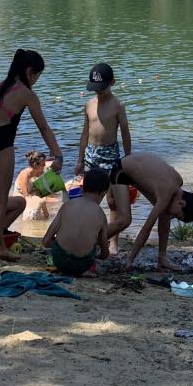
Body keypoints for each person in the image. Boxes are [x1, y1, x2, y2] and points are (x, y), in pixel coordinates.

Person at [0, 49, 62, 265]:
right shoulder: (27, 94)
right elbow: (43, 127)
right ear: (30, 72)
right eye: (38, 76)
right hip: (1, 146)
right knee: (0, 202)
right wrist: (57, 153)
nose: (37, 81)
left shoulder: (1, 86)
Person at [111, 152, 193, 271]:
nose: (173, 216)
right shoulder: (166, 194)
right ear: (181, 203)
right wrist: (130, 260)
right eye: (176, 215)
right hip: (120, 170)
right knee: (125, 220)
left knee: (165, 212)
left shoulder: (178, 182)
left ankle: (162, 258)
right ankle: (93, 243)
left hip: (134, 166)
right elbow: (146, 229)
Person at [77, 63, 132, 251]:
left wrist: (129, 158)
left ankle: (112, 243)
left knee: (114, 202)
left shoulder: (118, 105)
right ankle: (84, 235)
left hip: (112, 154)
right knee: (91, 201)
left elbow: (125, 133)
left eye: (102, 88)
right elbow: (85, 134)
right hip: (92, 155)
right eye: (95, 89)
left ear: (113, 82)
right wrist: (80, 159)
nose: (99, 93)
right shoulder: (89, 105)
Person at [42, 169, 110, 277]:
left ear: (81, 188)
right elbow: (105, 253)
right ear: (104, 193)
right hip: (82, 266)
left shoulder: (67, 205)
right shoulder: (101, 215)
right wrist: (96, 255)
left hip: (60, 262)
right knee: (95, 244)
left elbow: (46, 241)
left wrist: (60, 246)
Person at [16, 150, 54, 220]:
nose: (45, 165)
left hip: (32, 194)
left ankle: (46, 216)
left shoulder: (39, 172)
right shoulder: (25, 175)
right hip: (21, 198)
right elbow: (26, 196)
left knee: (52, 196)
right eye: (43, 164)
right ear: (35, 165)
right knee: (46, 199)